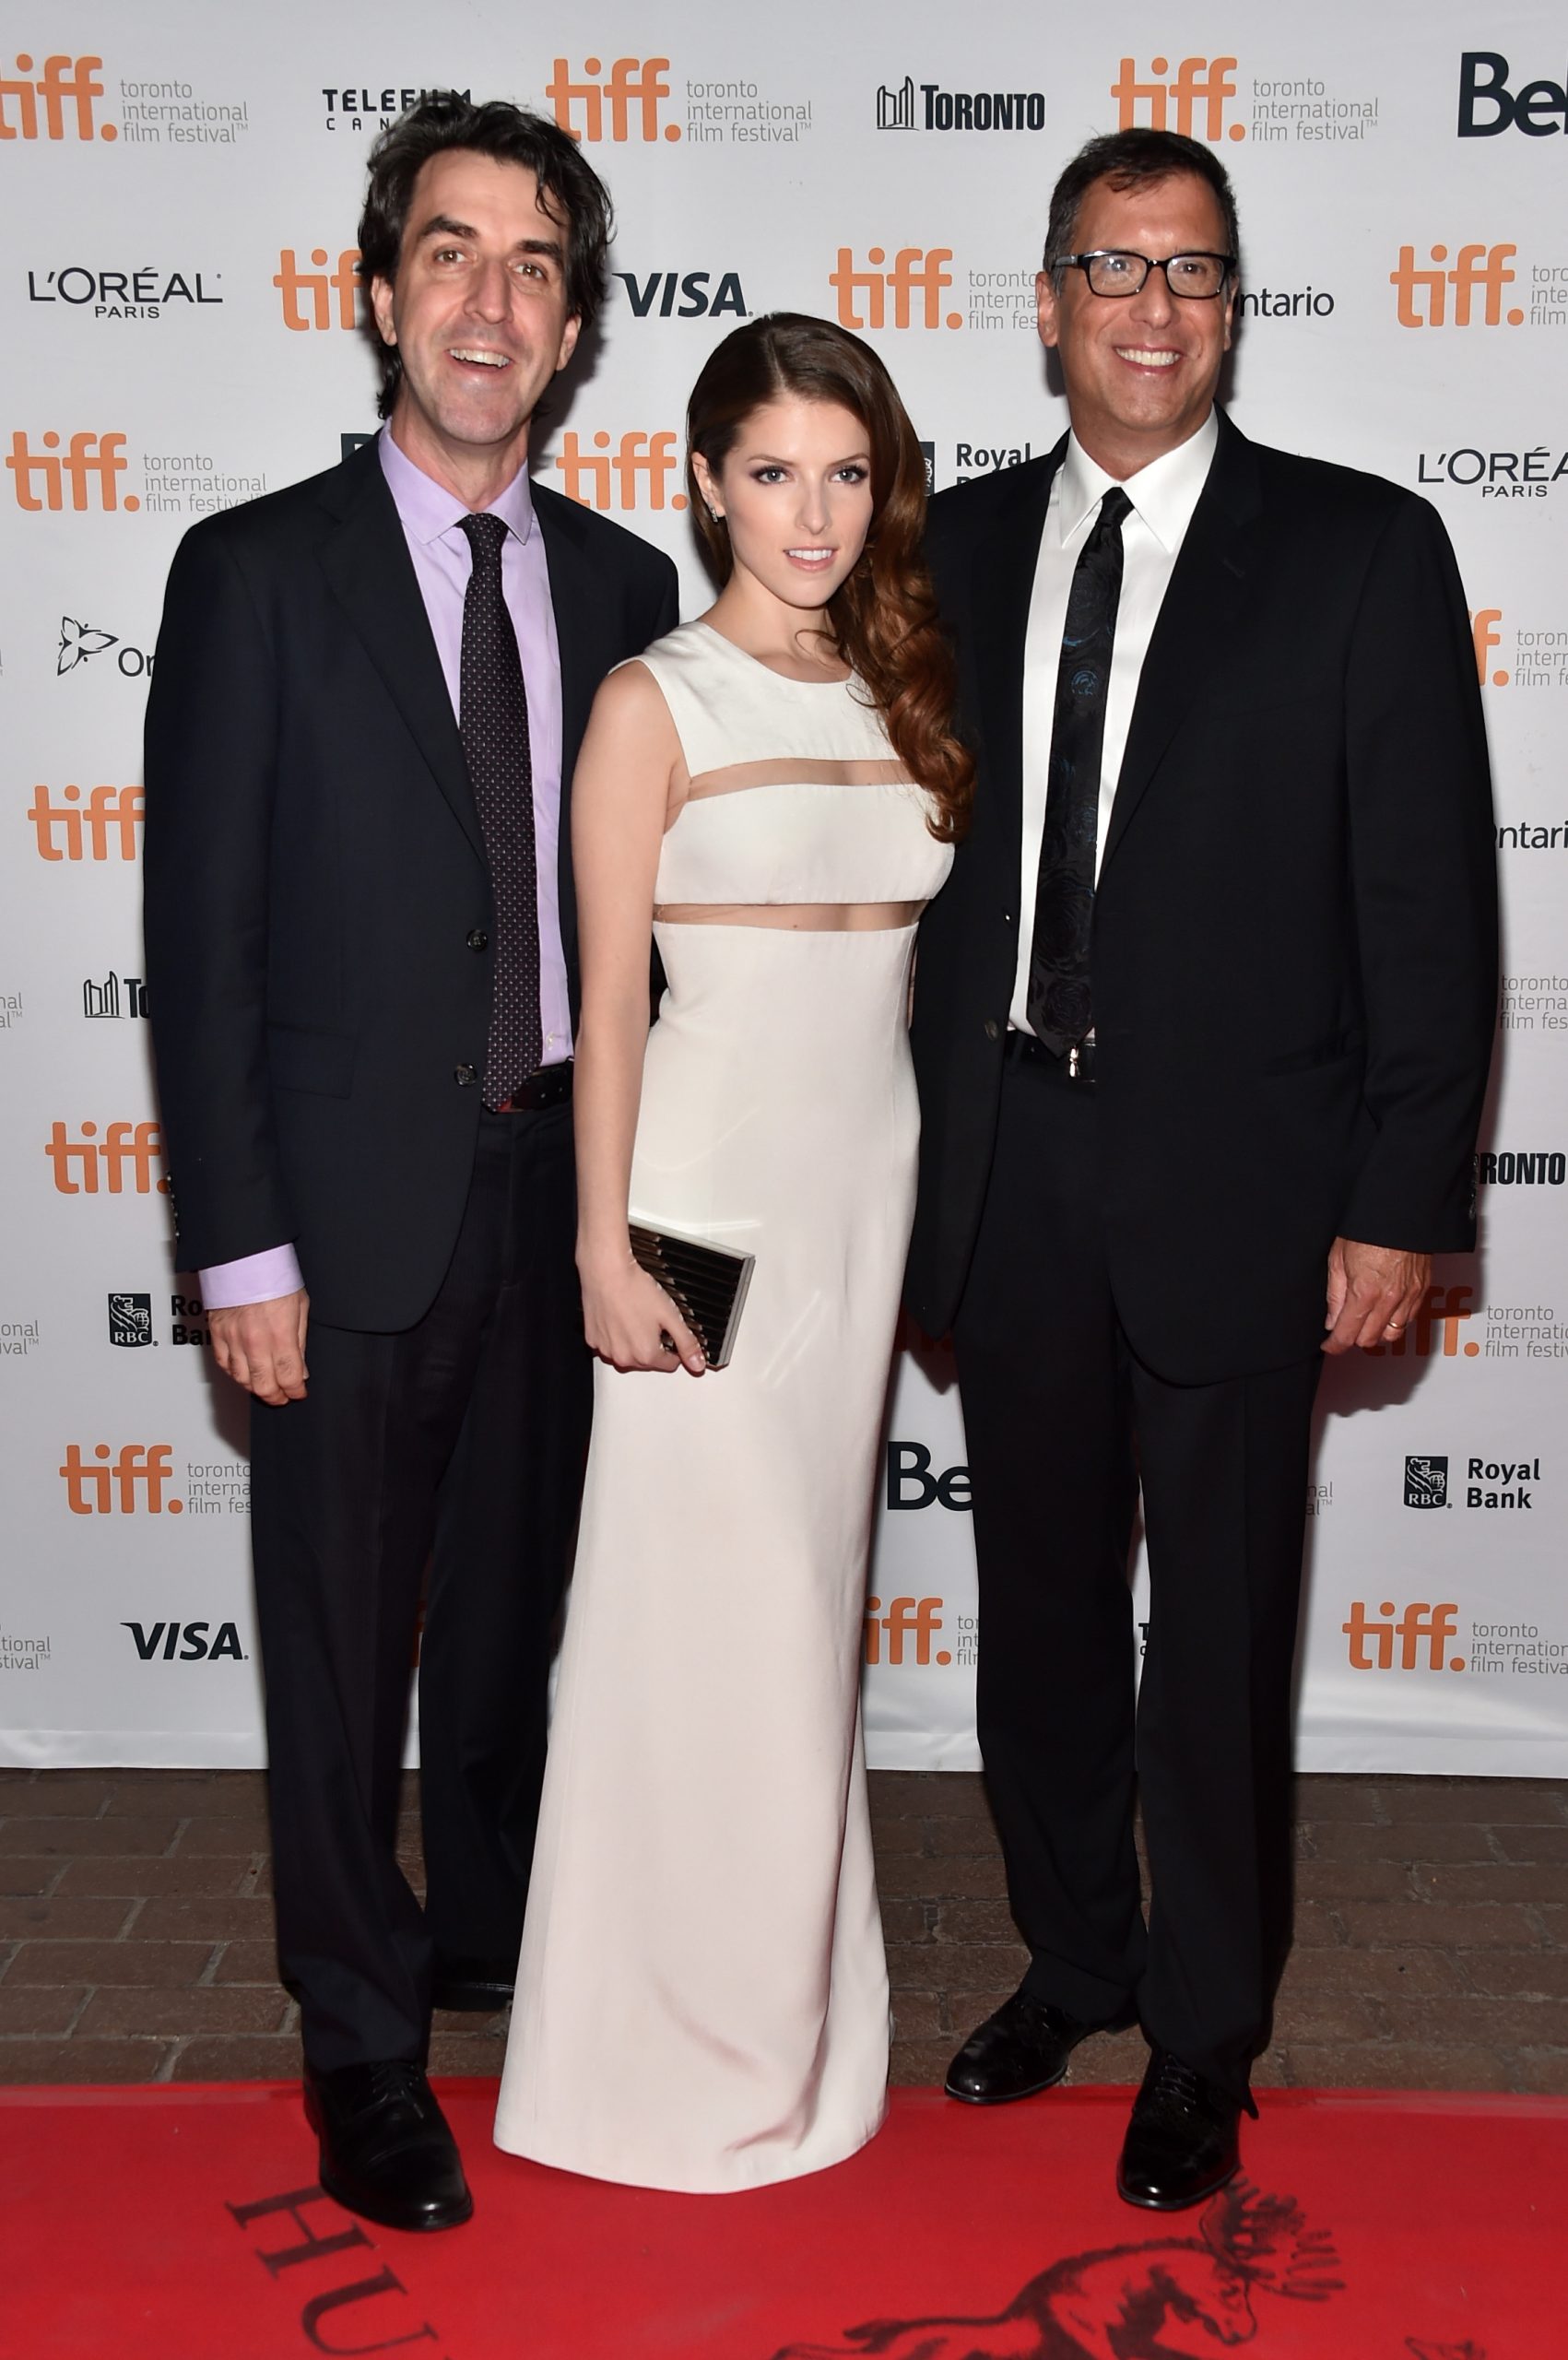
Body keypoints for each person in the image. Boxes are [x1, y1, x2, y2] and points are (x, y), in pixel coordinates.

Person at [905, 128, 1496, 2209]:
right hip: (1006, 1164)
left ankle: (1204, 2029)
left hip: (1248, 1183)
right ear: (1045, 300)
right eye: (1114, 266)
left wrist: (1401, 1202)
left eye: (1193, 272)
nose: (1152, 308)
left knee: (1221, 1638)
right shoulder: (946, 547)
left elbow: (1425, 905)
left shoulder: (1359, 550)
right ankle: (1072, 1957)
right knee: (1040, 1613)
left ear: (1231, 308)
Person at [143, 95, 676, 2233]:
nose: (488, 300)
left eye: (534, 264)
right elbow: (201, 944)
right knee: (345, 1648)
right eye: (448, 252)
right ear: (377, 294)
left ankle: (485, 1938)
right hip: (345, 1213)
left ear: (574, 325)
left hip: (557, 1195)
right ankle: (360, 2050)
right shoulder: (253, 573)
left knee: (515, 1620)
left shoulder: (630, 584)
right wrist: (237, 1246)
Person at [493, 314, 969, 2192]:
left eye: (845, 473)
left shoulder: (896, 686)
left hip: (861, 1203)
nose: (811, 513)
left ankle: (789, 2028)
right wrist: (600, 1245)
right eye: (772, 472)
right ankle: (650, 2062)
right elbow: (604, 1004)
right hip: (697, 1209)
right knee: (692, 1619)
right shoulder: (652, 698)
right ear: (704, 482)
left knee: (802, 1621)